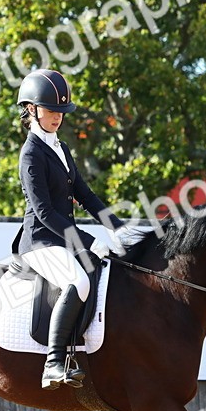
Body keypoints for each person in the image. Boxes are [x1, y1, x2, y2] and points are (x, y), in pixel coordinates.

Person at [12, 68, 133, 389]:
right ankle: (53, 363)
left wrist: (117, 228)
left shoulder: (61, 149)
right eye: (51, 110)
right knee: (77, 282)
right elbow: (44, 212)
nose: (58, 117)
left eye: (61, 111)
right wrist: (88, 240)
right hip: (39, 241)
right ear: (31, 109)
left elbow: (85, 195)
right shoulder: (30, 154)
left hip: (62, 239)